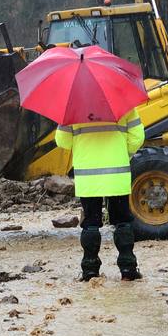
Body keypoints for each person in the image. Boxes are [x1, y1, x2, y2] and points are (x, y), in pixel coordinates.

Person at [54, 108, 145, 281]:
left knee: (90, 223)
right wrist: (123, 154)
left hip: (88, 179)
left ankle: (90, 271)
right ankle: (128, 270)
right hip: (117, 175)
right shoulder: (124, 105)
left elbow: (62, 142)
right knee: (122, 221)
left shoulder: (71, 108)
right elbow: (137, 138)